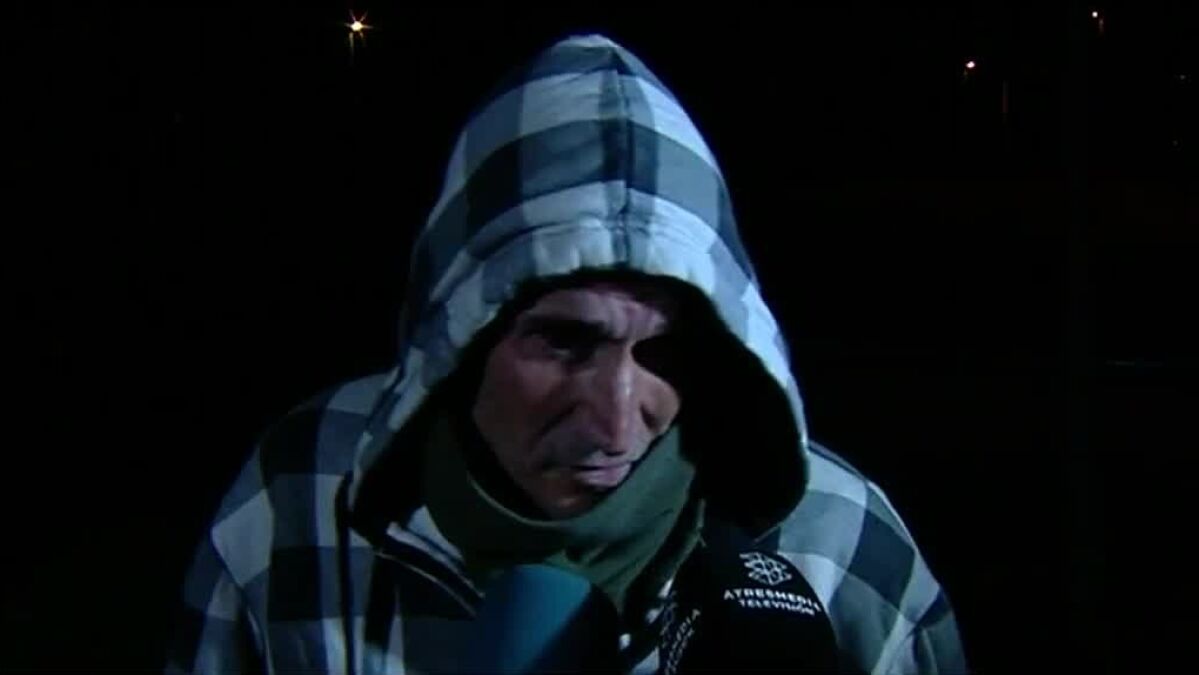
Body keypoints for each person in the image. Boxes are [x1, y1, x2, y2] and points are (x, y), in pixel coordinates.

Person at [166, 34, 967, 674]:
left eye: (665, 351)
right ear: (460, 334)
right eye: (562, 339)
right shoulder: (298, 496)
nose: (614, 423)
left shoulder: (839, 545)